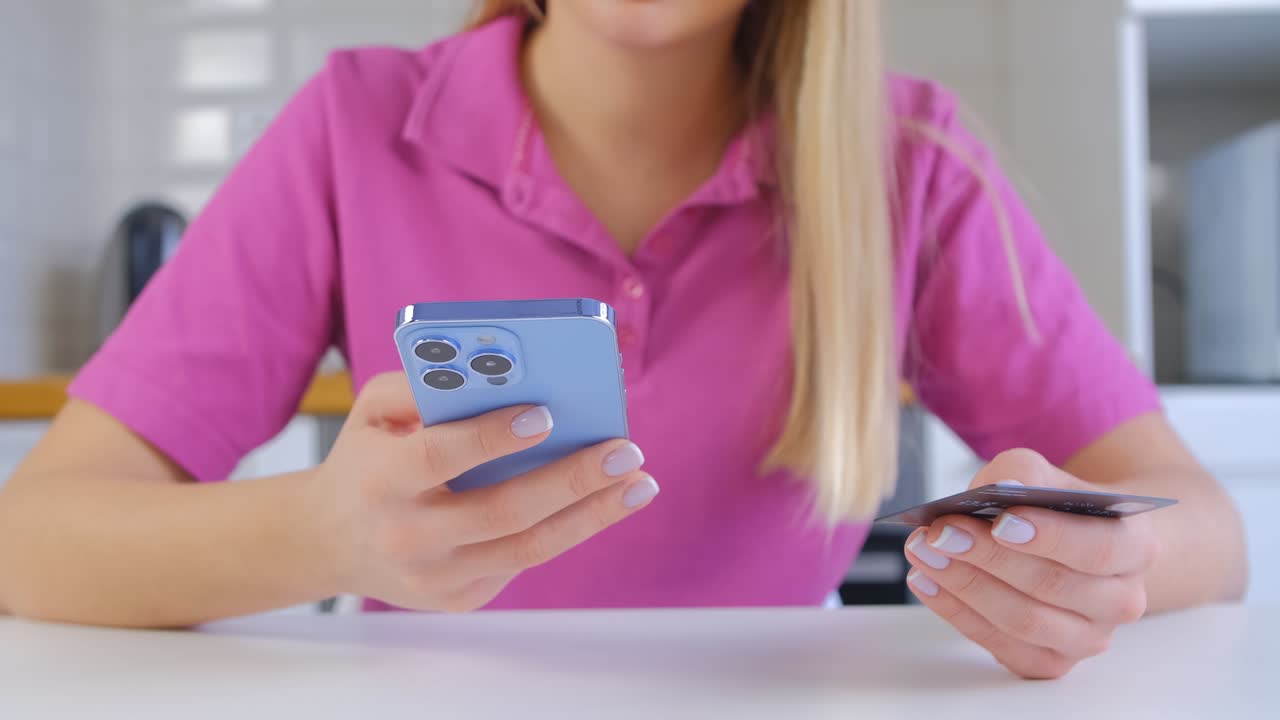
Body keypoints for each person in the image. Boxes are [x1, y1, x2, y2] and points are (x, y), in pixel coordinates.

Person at [0, 0, 1246, 679]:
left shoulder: (909, 162)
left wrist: (1090, 571)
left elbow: (1205, 527)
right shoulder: (355, 124)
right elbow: (31, 543)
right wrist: (319, 537)